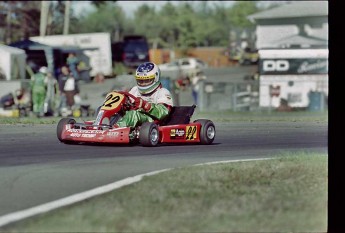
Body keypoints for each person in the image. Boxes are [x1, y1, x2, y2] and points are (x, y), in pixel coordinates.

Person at [115, 62, 173, 128]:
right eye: (140, 81)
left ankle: (115, 130)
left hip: (153, 122)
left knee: (133, 114)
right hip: (137, 120)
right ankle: (104, 128)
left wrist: (145, 105)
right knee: (116, 112)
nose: (143, 84)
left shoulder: (163, 92)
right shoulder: (135, 90)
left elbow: (163, 112)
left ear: (155, 78)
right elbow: (128, 103)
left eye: (147, 80)